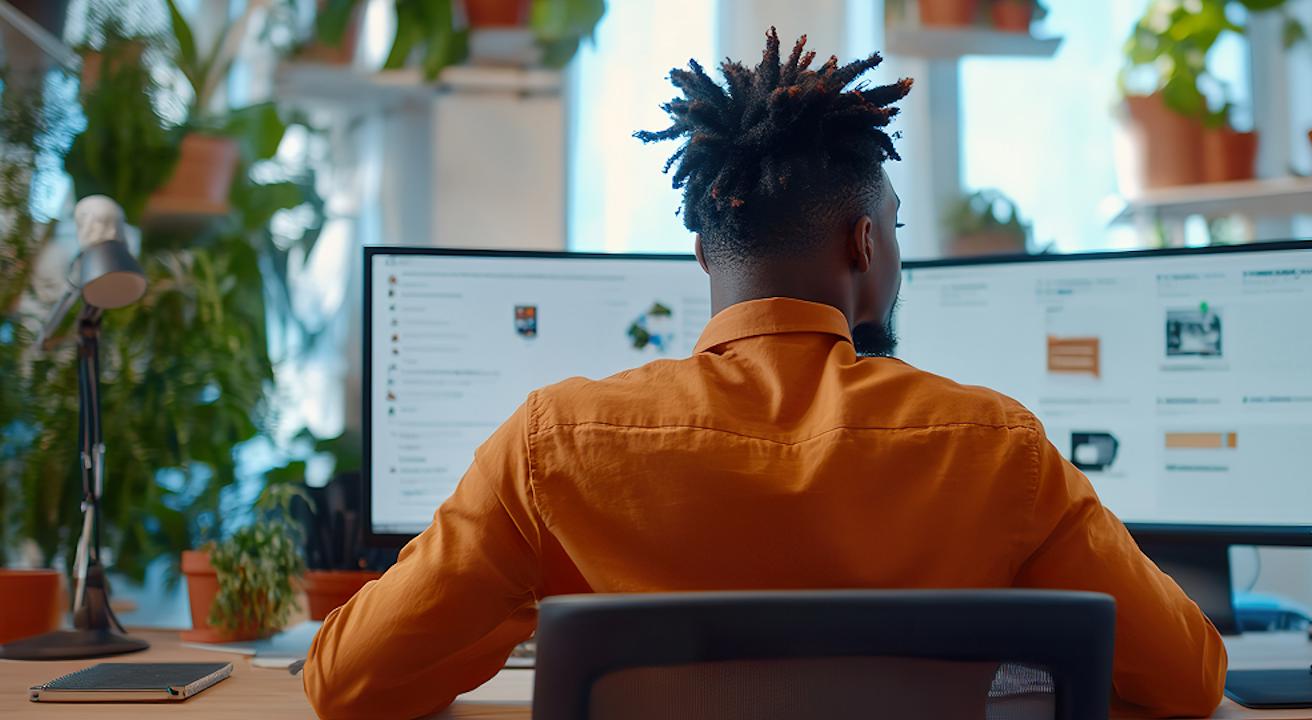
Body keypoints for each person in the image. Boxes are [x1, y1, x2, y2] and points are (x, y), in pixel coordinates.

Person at [304, 29, 1225, 719]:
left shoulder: (555, 443)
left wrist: (518, 606)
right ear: (866, 244)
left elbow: (346, 684)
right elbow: (1187, 681)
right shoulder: (995, 447)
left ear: (705, 252)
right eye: (894, 226)